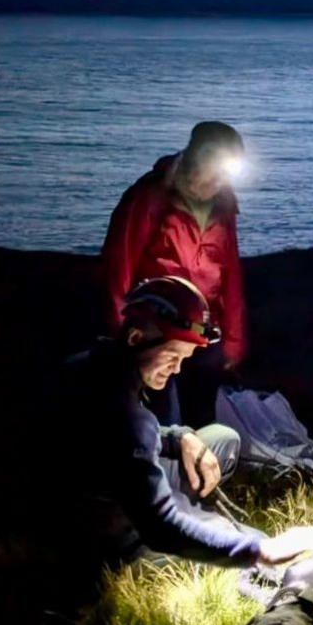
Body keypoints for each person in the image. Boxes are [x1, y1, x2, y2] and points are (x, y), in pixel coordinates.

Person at [64, 275, 313, 566]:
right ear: (135, 338)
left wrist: (179, 437)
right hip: (104, 531)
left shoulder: (93, 365)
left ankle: (196, 515)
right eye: (172, 356)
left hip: (105, 495)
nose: (176, 369)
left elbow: (119, 440)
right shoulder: (125, 413)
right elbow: (160, 526)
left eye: (184, 359)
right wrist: (258, 551)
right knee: (218, 550)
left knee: (220, 438)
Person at [101, 121, 248, 427]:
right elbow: (119, 267)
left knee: (202, 415)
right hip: (158, 330)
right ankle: (157, 469)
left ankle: (202, 472)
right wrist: (121, 331)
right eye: (218, 168)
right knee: (160, 415)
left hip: (204, 333)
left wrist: (233, 339)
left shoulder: (224, 207)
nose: (222, 179)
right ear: (198, 159)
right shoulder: (149, 198)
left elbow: (230, 274)